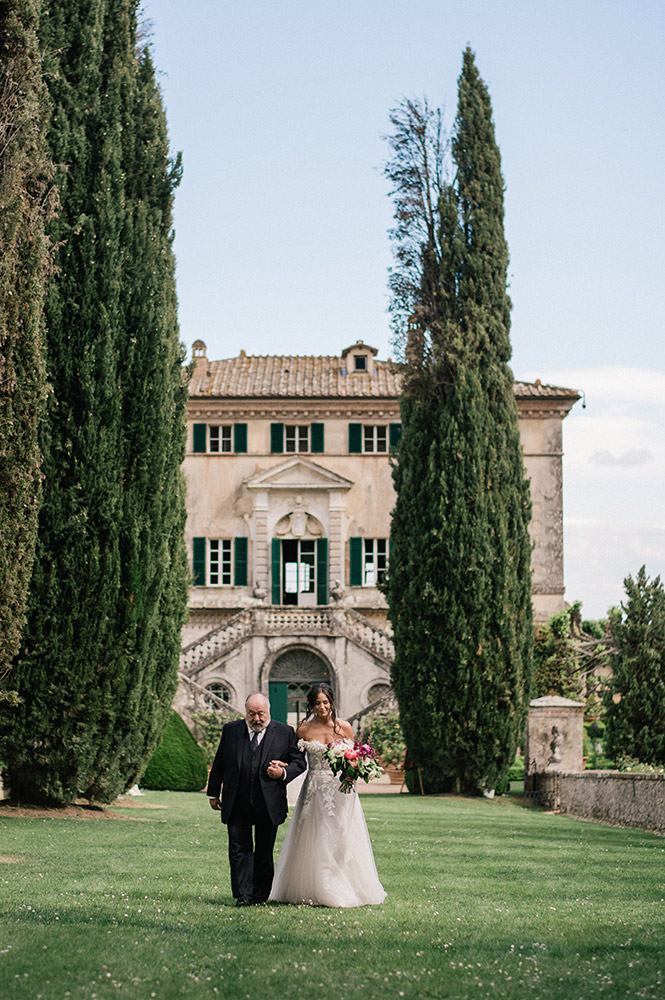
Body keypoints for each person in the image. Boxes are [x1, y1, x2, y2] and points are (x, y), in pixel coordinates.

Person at [268, 683, 386, 907]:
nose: (322, 707)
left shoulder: (344, 728)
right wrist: (282, 765)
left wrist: (354, 772)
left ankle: (342, 883)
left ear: (332, 703)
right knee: (314, 835)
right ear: (311, 706)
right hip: (314, 790)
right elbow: (296, 760)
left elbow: (354, 758)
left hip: (341, 790)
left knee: (340, 835)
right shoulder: (303, 730)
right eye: (317, 703)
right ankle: (317, 886)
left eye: (325, 702)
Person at [207, 691, 306, 906]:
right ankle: (243, 895)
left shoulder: (285, 732)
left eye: (261, 713)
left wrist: (283, 774)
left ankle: (260, 895)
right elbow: (220, 763)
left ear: (268, 712)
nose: (256, 719)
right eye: (251, 714)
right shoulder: (231, 730)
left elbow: (300, 763)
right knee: (238, 849)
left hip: (268, 803)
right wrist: (213, 793)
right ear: (245, 713)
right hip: (236, 801)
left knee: (264, 850)